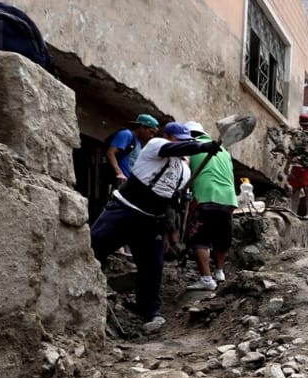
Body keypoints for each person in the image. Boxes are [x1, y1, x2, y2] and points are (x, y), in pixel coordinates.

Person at [90, 122, 219, 332]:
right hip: (125, 210)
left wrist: (170, 233)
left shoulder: (184, 171)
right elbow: (171, 149)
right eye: (180, 141)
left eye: (188, 142)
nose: (183, 146)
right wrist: (201, 147)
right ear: (168, 136)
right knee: (94, 248)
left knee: (153, 267)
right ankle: (87, 294)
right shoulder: (156, 145)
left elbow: (171, 204)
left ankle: (150, 312)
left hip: (151, 220)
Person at [184, 121, 237, 291]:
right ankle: (219, 272)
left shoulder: (191, 146)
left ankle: (206, 279)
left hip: (206, 196)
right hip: (228, 198)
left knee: (200, 238)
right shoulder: (223, 151)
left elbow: (184, 169)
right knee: (221, 236)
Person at [105, 114, 159, 187]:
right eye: (151, 132)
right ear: (141, 127)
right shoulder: (126, 134)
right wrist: (119, 173)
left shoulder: (138, 143)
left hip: (127, 181)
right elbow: (110, 153)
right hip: (118, 179)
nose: (151, 136)